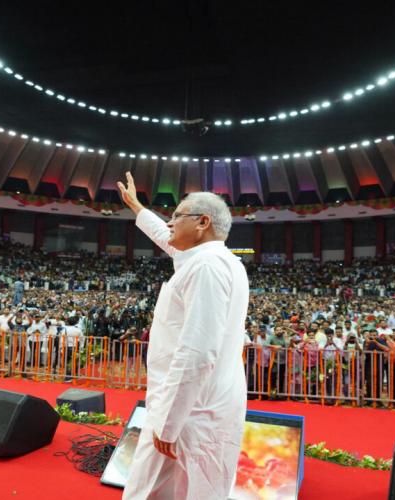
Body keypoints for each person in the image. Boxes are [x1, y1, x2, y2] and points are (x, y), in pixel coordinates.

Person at [118, 172, 249, 499]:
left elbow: (197, 351)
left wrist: (169, 422)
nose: (171, 222)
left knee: (146, 492)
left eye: (177, 215)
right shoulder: (218, 260)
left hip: (188, 413)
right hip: (205, 408)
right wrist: (137, 207)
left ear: (203, 222)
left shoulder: (205, 266)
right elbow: (167, 237)